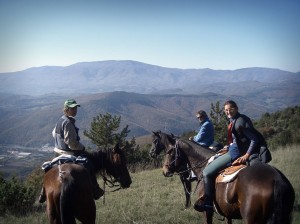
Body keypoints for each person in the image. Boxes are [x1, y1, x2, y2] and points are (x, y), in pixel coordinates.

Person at [194, 100, 266, 213]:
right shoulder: (235, 120)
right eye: (226, 110)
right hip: (232, 149)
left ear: (236, 108)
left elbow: (254, 139)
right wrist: (228, 146)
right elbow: (238, 139)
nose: (228, 112)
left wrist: (246, 155)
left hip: (235, 154)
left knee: (207, 172)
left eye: (230, 109)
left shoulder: (239, 123)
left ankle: (208, 204)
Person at [38, 99, 104, 203]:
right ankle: (95, 190)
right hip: (69, 152)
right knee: (88, 163)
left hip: (57, 152)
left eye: (75, 108)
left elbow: (54, 134)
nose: (74, 110)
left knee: (50, 167)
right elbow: (72, 143)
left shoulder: (60, 120)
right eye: (72, 108)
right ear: (66, 109)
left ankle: (43, 191)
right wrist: (82, 147)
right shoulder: (68, 123)